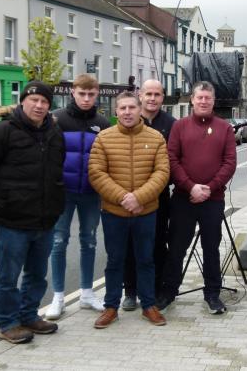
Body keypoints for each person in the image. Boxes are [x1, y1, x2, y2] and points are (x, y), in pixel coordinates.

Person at [0, 81, 65, 344]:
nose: (39, 105)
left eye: (44, 102)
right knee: (8, 277)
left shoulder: (54, 133)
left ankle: (29, 315)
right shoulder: (0, 133)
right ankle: (8, 323)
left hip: (45, 220)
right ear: (23, 101)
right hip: (12, 222)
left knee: (37, 275)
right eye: (34, 100)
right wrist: (4, 198)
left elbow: (57, 169)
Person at [87, 92, 169, 329]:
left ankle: (149, 305)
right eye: (122, 108)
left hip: (146, 211)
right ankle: (111, 307)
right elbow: (96, 173)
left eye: (132, 107)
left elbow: (162, 172)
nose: (127, 112)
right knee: (115, 261)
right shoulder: (104, 138)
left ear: (139, 109)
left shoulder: (156, 138)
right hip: (114, 212)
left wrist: (139, 197)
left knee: (146, 260)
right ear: (116, 111)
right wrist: (124, 198)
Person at [158, 82, 236, 314]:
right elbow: (172, 159)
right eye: (199, 97)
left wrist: (209, 188)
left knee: (211, 248)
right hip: (183, 199)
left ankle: (212, 294)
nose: (203, 101)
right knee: (176, 248)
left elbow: (229, 163)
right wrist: (190, 187)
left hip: (213, 200)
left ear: (213, 100)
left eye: (207, 98)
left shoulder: (225, 128)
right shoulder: (179, 126)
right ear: (192, 99)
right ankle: (169, 291)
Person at [46, 74, 109, 320]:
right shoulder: (57, 119)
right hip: (63, 192)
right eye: (82, 93)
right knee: (58, 241)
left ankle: (87, 293)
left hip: (91, 193)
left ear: (97, 94)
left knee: (89, 241)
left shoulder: (102, 123)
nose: (86, 98)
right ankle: (58, 297)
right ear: (73, 92)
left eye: (91, 94)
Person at [122, 79, 176, 311]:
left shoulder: (171, 125)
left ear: (163, 97)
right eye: (148, 94)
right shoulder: (130, 119)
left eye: (157, 94)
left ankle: (154, 289)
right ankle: (130, 290)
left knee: (157, 244)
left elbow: (172, 162)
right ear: (140, 95)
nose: (152, 98)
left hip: (159, 196)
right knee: (129, 245)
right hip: (129, 197)